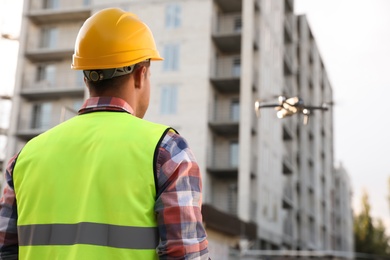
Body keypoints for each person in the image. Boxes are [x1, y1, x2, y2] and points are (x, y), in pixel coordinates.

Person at [0, 8, 209, 259]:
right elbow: (186, 255)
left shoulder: (24, 158)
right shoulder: (167, 152)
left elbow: (6, 252)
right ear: (141, 73)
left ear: (86, 77)